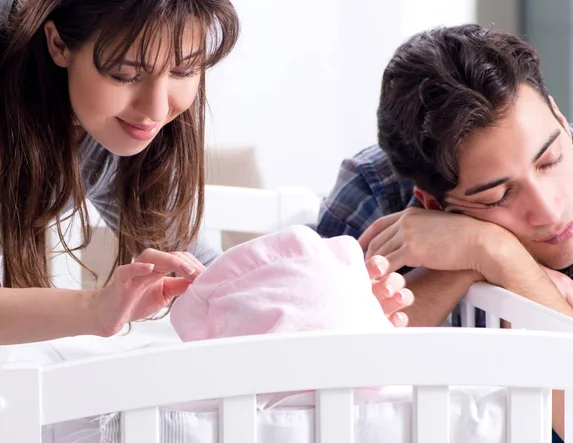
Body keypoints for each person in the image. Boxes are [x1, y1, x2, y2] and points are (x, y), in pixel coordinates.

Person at [0, 0, 412, 346]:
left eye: (183, 71)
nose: (157, 110)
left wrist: (323, 302)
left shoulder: (103, 137)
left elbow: (200, 273)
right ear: (57, 43)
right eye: (126, 74)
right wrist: (95, 310)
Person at [316, 23, 573, 443]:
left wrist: (497, 254)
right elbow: (303, 391)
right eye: (497, 197)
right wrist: (464, 268)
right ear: (432, 203)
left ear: (558, 115)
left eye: (550, 161)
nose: (549, 211)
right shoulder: (376, 191)